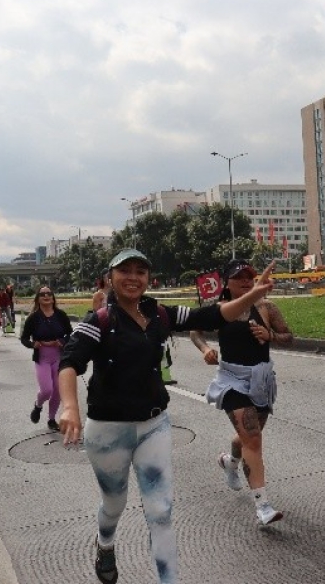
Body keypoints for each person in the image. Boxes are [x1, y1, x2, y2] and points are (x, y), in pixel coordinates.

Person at [58, 249, 274, 584]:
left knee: (161, 512)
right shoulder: (99, 321)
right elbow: (69, 362)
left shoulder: (158, 313)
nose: (133, 277)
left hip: (153, 425)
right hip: (107, 430)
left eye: (140, 271)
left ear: (148, 278)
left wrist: (253, 294)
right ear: (110, 278)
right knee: (114, 504)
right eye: (124, 270)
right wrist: (69, 405)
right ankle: (105, 543)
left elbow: (211, 316)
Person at [189, 258, 294, 526]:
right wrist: (206, 349)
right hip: (231, 379)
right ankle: (263, 506)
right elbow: (195, 332)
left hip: (261, 379)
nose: (246, 281)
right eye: (239, 277)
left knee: (246, 438)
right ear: (227, 283)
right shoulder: (222, 309)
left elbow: (289, 336)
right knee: (254, 440)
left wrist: (270, 336)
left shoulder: (267, 307)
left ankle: (228, 461)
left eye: (250, 276)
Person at [20, 287, 72, 432]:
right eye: (42, 294)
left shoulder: (61, 315)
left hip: (58, 357)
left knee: (57, 390)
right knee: (46, 390)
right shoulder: (33, 318)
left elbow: (70, 334)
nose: (46, 296)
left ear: (53, 298)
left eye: (49, 293)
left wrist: (62, 341)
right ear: (38, 299)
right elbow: (24, 338)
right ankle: (38, 405)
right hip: (42, 357)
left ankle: (51, 419)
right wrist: (32, 344)